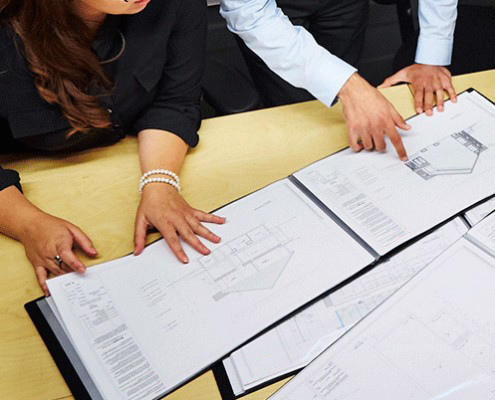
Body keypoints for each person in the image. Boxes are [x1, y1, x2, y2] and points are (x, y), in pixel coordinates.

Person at [0, 0, 225, 295]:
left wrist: (160, 183)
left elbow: (173, 101)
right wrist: (28, 225)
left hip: (124, 160)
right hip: (35, 185)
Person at [220, 0, 459, 160]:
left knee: (338, 117)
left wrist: (432, 53)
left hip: (345, 5)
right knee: (301, 127)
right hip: (269, 10)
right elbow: (250, 15)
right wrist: (348, 85)